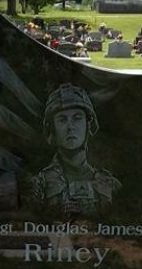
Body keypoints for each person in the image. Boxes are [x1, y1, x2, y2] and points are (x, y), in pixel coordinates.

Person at [27, 84, 121, 219]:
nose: (70, 127)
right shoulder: (39, 185)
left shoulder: (111, 184)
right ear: (52, 129)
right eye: (62, 120)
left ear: (89, 125)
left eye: (77, 118)